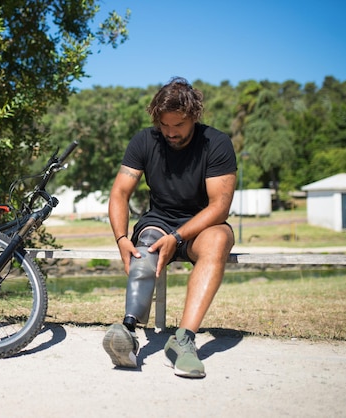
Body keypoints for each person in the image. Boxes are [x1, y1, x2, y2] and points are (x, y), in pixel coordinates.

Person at [103, 77, 237, 378]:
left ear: (194, 117)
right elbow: (119, 193)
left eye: (178, 126)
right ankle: (128, 332)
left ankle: (183, 341)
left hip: (202, 224)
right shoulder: (144, 141)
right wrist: (122, 238)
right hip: (159, 221)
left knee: (218, 240)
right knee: (146, 242)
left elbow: (219, 207)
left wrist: (178, 236)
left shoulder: (216, 144)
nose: (171, 133)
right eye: (165, 126)